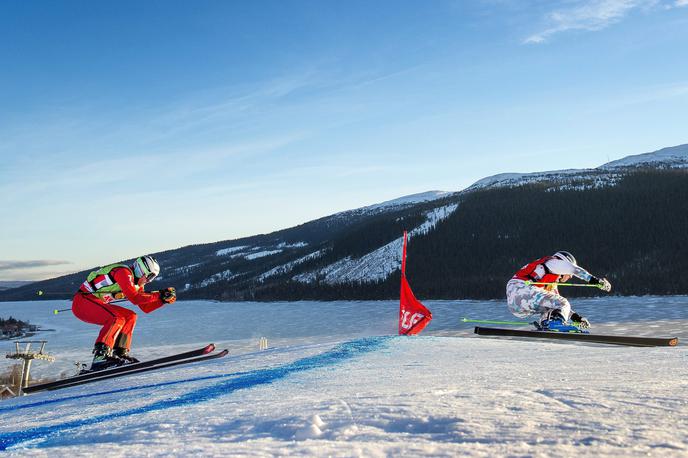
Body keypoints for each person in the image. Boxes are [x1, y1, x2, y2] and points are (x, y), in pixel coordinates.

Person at [72, 255, 177, 371]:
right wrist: (159, 295)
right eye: (150, 276)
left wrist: (162, 300)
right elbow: (135, 298)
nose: (149, 281)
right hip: (82, 302)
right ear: (142, 271)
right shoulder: (123, 272)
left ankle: (120, 352)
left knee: (130, 316)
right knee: (116, 318)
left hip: (93, 302)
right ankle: (100, 357)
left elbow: (145, 307)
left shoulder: (136, 284)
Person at [506, 251, 611, 330]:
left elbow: (559, 306)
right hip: (520, 288)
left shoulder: (551, 284)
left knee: (555, 306)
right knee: (563, 302)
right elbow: (575, 270)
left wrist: (576, 318)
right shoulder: (553, 262)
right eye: (569, 274)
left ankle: (547, 323)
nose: (570, 277)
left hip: (518, 305)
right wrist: (596, 281)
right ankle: (553, 324)